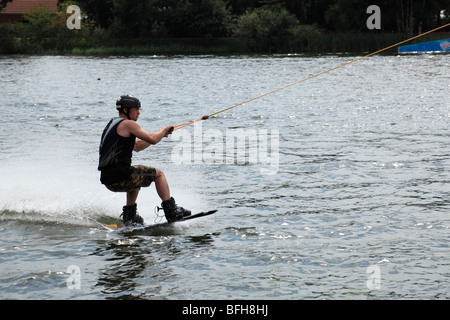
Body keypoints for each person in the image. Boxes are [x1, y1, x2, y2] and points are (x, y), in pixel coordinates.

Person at [98, 95, 191, 225]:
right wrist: (163, 129)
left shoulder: (113, 124)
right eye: (136, 109)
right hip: (121, 177)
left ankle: (129, 217)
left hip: (109, 180)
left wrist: (160, 136)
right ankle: (171, 211)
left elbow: (137, 146)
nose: (139, 113)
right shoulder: (129, 124)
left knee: (137, 175)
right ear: (126, 110)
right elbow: (152, 139)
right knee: (159, 174)